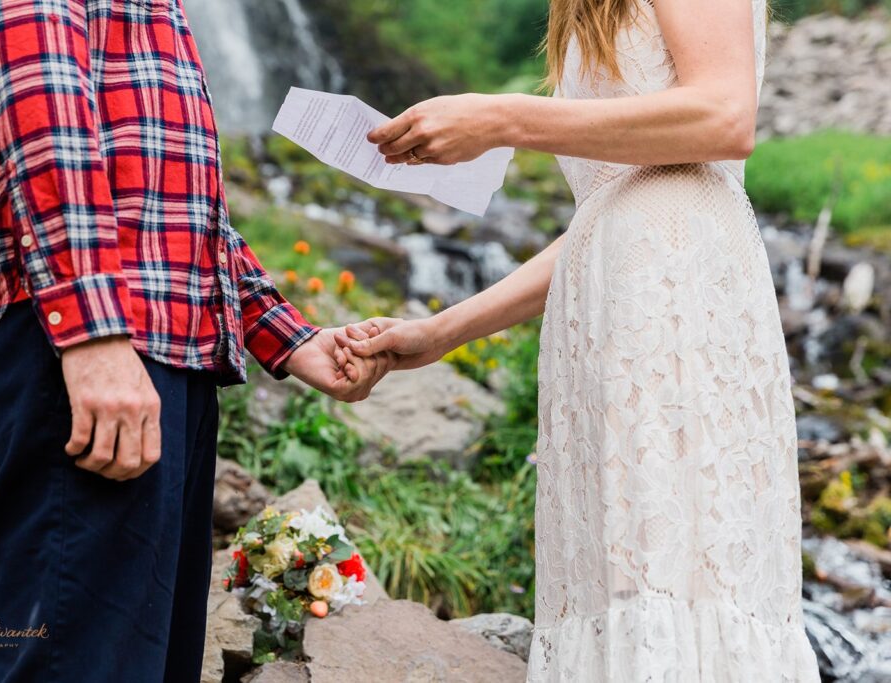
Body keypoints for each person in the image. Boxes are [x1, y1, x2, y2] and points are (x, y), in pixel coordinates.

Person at [336, 0, 822, 680]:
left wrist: (502, 119)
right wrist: (440, 332)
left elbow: (725, 114)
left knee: (681, 584)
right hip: (605, 316)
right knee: (624, 590)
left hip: (677, 309)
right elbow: (605, 209)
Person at [0, 0, 388, 680]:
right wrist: (92, 331)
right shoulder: (91, 337)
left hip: (145, 342)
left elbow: (166, 192)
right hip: (82, 343)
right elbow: (35, 87)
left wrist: (288, 335)